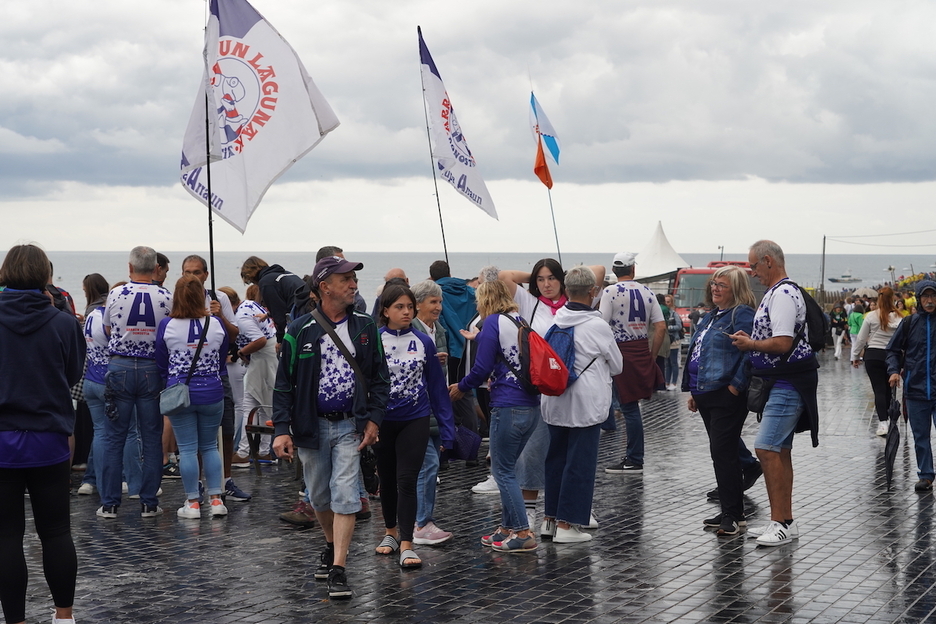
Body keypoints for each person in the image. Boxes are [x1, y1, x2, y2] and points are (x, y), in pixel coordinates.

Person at [272, 255, 389, 599]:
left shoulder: (366, 327)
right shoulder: (298, 329)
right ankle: (328, 543)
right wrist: (281, 429)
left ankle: (339, 567)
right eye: (346, 279)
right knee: (320, 495)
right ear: (324, 286)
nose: (354, 285)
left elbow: (381, 379)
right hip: (311, 428)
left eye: (354, 279)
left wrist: (374, 419)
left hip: (351, 425)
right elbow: (283, 385)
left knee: (345, 494)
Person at [0, 243, 85, 624]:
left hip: (2, 439)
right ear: (44, 277)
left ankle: (15, 620)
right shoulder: (64, 322)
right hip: (48, 436)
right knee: (55, 531)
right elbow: (72, 375)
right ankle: (63, 616)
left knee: (6, 536)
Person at [496, 259, 606, 528]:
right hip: (545, 389)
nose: (546, 285)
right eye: (541, 279)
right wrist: (533, 275)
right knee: (535, 450)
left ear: (563, 281)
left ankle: (573, 510)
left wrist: (571, 277)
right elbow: (504, 274)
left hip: (578, 390)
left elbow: (600, 270)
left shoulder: (576, 305)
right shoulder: (530, 302)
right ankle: (531, 508)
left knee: (573, 454)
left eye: (552, 278)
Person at [730, 240, 819, 546]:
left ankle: (779, 523)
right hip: (787, 380)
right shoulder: (782, 291)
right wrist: (753, 339)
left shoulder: (781, 293)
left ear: (768, 261)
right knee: (780, 450)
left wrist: (750, 344)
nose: (752, 273)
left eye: (753, 266)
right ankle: (785, 521)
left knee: (766, 448)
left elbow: (781, 342)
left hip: (786, 383)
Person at [450, 280, 541, 553]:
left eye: (478, 299)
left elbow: (481, 369)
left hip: (507, 406)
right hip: (530, 407)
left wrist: (460, 388)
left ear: (487, 299)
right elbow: (506, 347)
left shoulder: (491, 322)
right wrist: (477, 338)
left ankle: (523, 532)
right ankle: (507, 527)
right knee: (508, 470)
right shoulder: (518, 320)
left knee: (502, 471)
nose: (476, 304)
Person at [374, 284, 455, 568]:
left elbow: (437, 388)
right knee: (387, 479)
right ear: (386, 311)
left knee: (408, 479)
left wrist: (448, 429)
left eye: (409, 306)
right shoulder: (374, 340)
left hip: (415, 418)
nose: (406, 311)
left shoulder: (424, 341)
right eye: (399, 307)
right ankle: (390, 533)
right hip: (383, 420)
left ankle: (407, 542)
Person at [540, 267, 623, 543]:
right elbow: (618, 365)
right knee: (580, 464)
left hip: (554, 401)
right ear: (593, 292)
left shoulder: (556, 320)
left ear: (565, 290)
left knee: (556, 461)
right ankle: (568, 526)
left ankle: (550, 520)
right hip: (585, 404)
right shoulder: (596, 325)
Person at [98, 246, 173, 519]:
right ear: (155, 268)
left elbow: (107, 329)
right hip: (152, 369)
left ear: (130, 268)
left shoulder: (116, 293)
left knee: (114, 436)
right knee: (152, 437)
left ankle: (109, 503)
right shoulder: (166, 295)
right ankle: (148, 502)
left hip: (120, 365)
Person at [683, 266, 756, 536]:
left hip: (725, 395)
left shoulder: (741, 314)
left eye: (722, 285)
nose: (715, 288)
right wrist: (694, 391)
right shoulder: (712, 316)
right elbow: (700, 353)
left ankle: (733, 515)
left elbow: (751, 353)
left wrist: (735, 388)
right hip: (706, 393)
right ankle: (732, 510)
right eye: (714, 284)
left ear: (735, 289)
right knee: (721, 453)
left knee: (723, 454)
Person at [155, 275, 231, 518]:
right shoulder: (216, 324)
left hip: (181, 393)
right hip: (212, 390)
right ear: (202, 296)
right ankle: (217, 500)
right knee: (210, 446)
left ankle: (193, 503)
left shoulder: (167, 325)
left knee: (187, 449)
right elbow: (222, 359)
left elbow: (161, 362)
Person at [181, 255, 250, 503]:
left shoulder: (218, 298)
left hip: (217, 373)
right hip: (189, 375)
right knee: (193, 436)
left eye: (197, 272)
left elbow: (233, 335)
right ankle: (198, 483)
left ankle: (226, 479)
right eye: (187, 272)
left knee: (227, 424)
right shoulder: (177, 298)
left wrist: (219, 316)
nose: (192, 277)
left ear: (206, 275)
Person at [601, 252, 666, 474]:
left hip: (618, 349)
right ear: (633, 270)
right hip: (639, 348)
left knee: (628, 407)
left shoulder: (610, 292)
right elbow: (661, 327)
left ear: (615, 270)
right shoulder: (647, 291)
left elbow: (601, 325)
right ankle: (633, 456)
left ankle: (635, 458)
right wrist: (652, 355)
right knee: (630, 406)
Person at [410, 279, 455, 545]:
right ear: (418, 305)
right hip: (417, 409)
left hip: (436, 409)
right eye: (433, 302)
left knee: (429, 465)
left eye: (439, 302)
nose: (438, 307)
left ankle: (420, 521)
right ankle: (421, 522)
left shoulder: (439, 330)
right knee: (428, 465)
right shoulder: (411, 331)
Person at [886, 280, 936, 491]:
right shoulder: (908, 324)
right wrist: (894, 371)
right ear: (918, 299)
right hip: (915, 390)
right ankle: (925, 475)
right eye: (925, 296)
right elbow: (892, 351)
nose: (930, 300)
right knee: (920, 436)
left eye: (933, 296)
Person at [231, 284, 277, 463]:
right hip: (270, 355)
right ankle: (263, 450)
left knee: (251, 400)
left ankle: (243, 453)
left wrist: (241, 353)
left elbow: (259, 340)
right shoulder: (249, 305)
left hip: (263, 356)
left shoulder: (240, 316)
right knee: (265, 401)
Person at [851, 288, 901, 437]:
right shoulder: (899, 318)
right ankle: (890, 417)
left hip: (873, 355)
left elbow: (861, 338)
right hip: (893, 356)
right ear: (892, 299)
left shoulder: (871, 316)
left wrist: (855, 356)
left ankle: (883, 422)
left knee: (878, 390)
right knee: (889, 390)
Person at [240, 256, 305, 345]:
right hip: (309, 311)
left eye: (251, 282)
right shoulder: (284, 274)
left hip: (300, 316)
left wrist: (280, 340)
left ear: (251, 276)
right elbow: (284, 301)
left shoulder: (266, 282)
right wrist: (268, 314)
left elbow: (279, 314)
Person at [430, 260, 477, 380]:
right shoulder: (471, 291)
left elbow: (440, 323)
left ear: (431, 278)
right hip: (473, 345)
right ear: (450, 274)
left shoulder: (436, 295)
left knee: (453, 388)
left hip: (451, 349)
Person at [664, 293, 684, 390]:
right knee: (667, 363)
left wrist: (669, 327)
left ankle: (674, 382)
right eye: (665, 301)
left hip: (674, 341)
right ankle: (667, 382)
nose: (666, 303)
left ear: (671, 303)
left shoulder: (674, 314)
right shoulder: (662, 313)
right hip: (665, 342)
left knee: (673, 362)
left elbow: (679, 326)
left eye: (668, 302)